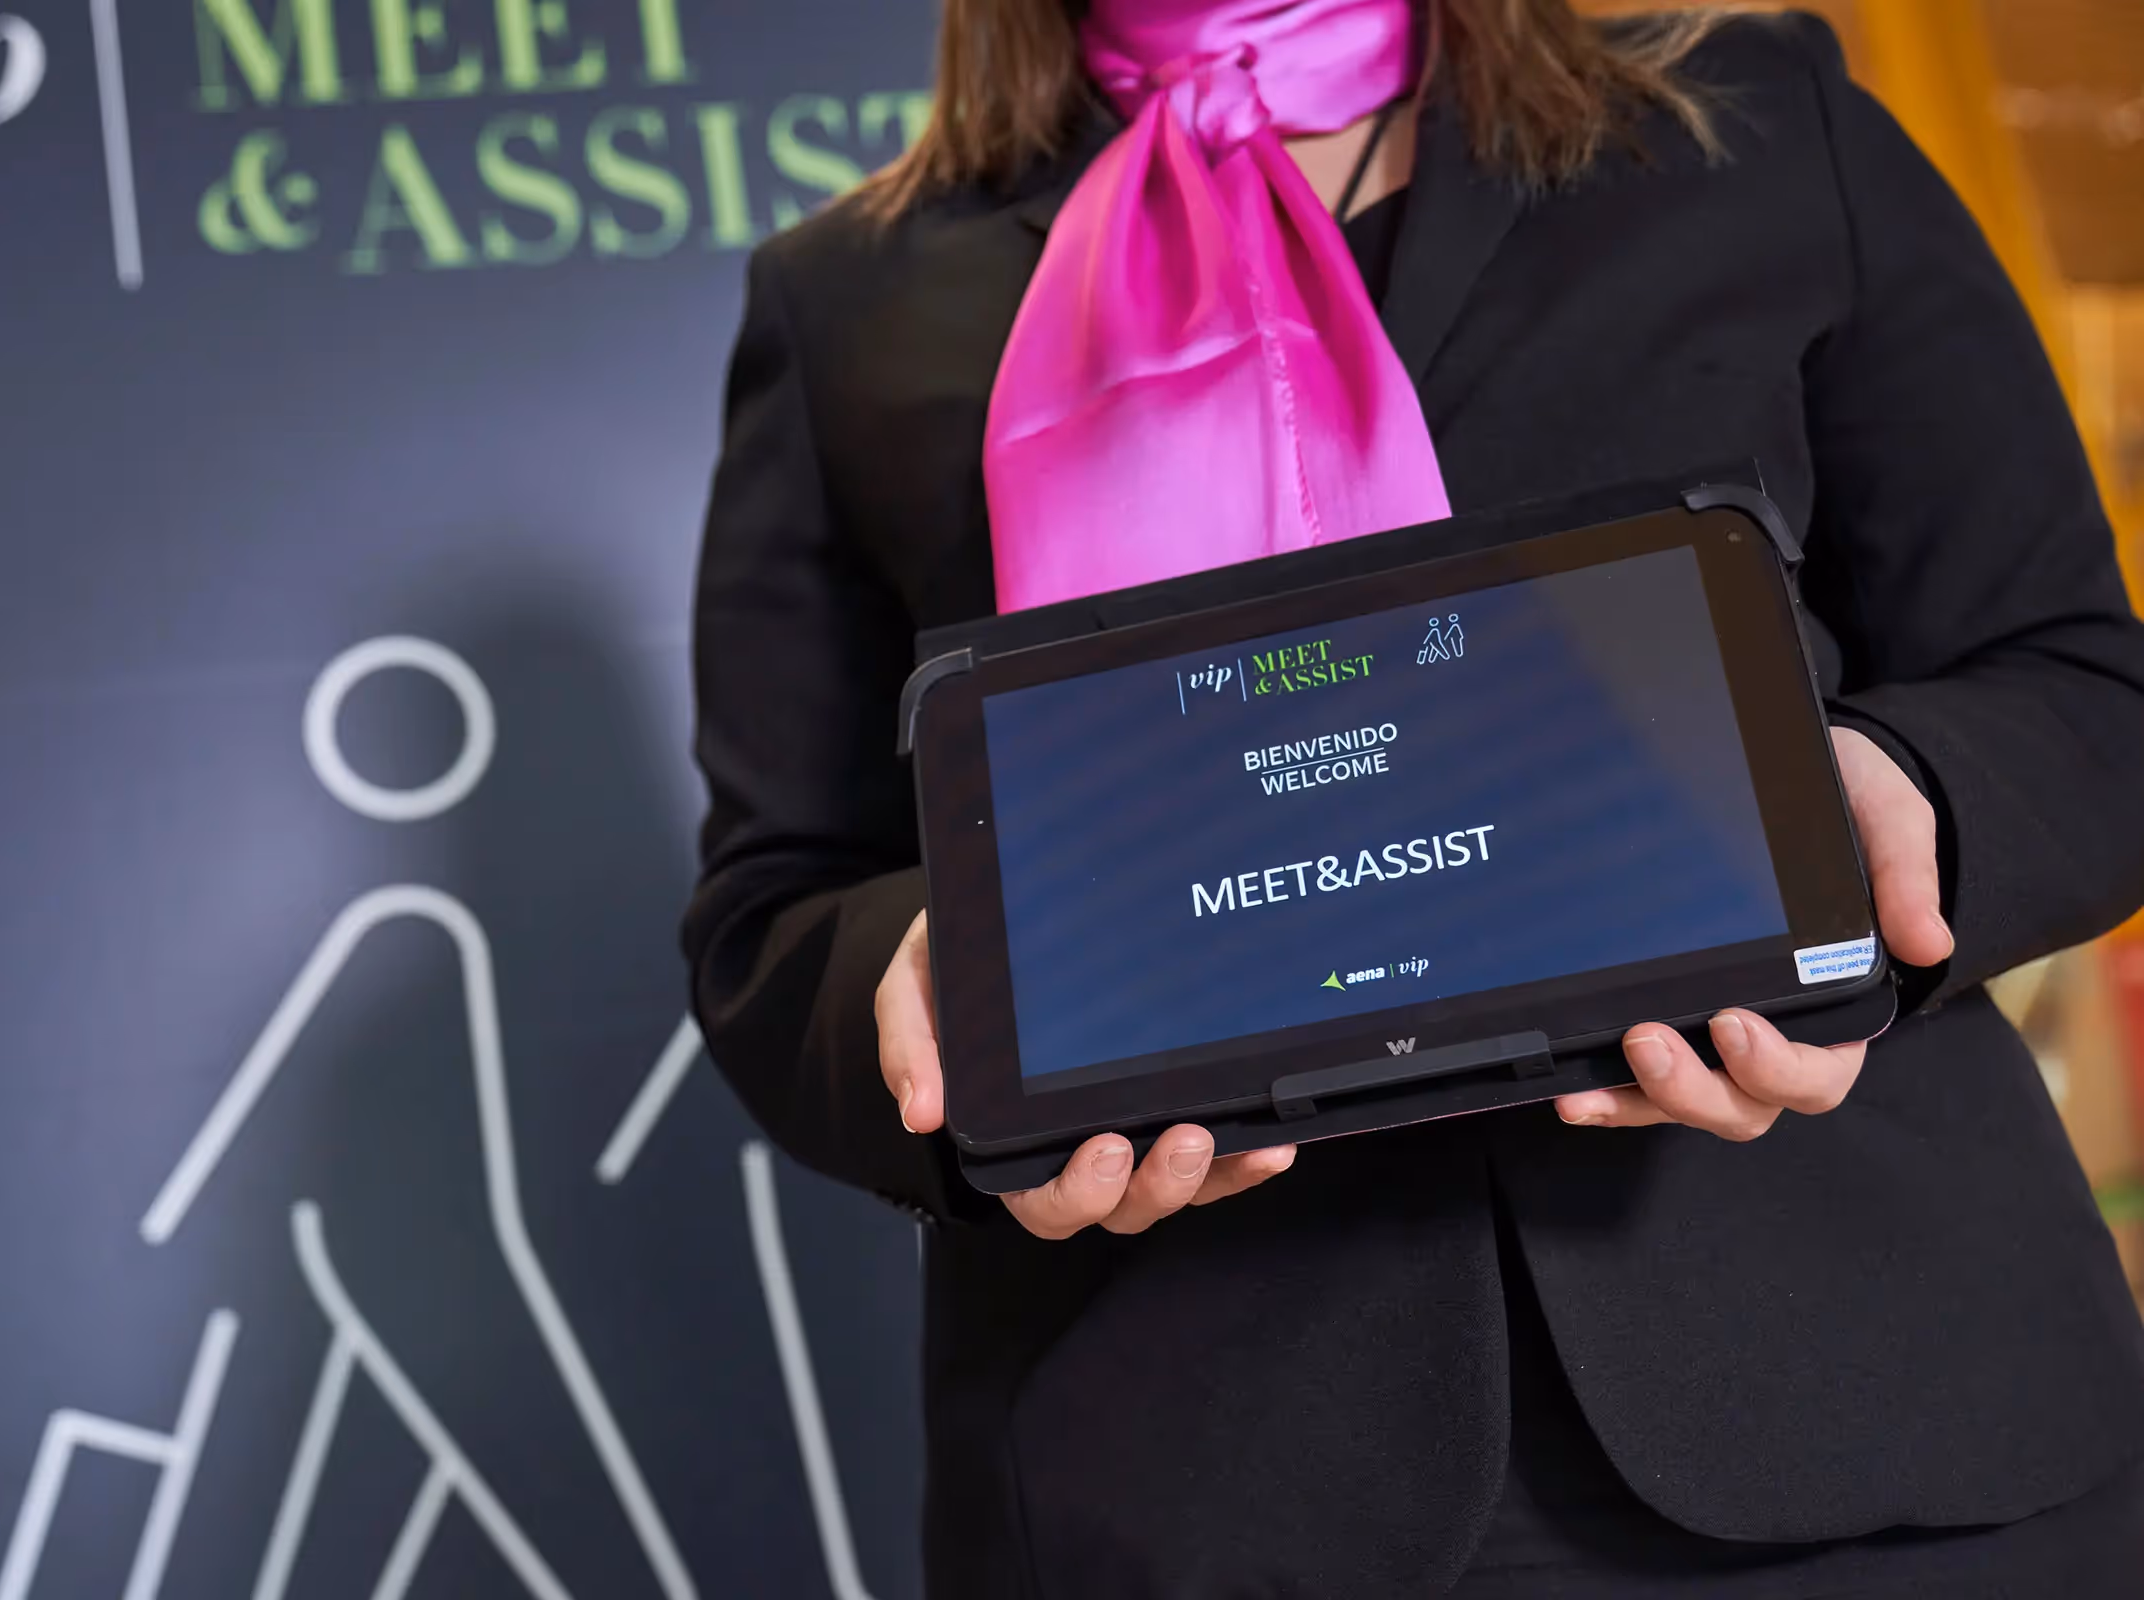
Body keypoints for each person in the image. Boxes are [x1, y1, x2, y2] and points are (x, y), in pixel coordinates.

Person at [682, 0, 2144, 1592]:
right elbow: (777, 913)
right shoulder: (852, 293)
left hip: (1874, 1401)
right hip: (1202, 1475)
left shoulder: (1747, 118)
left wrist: (1895, 798)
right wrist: (944, 989)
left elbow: (2080, 682)